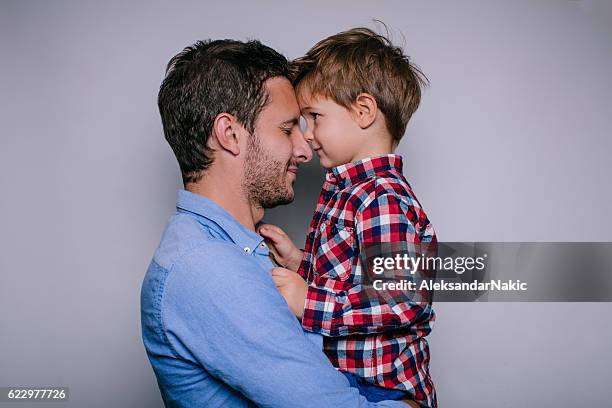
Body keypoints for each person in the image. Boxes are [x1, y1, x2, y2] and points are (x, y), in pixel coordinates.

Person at [140, 38, 408, 407]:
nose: (304, 149)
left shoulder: (234, 251)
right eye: (287, 130)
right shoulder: (207, 267)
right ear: (229, 134)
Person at [258, 28, 437, 408]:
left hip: (381, 391)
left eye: (315, 118)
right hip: (350, 384)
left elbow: (400, 298)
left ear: (363, 111)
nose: (306, 137)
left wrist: (309, 301)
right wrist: (300, 263)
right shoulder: (350, 191)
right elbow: (349, 273)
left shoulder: (381, 197)